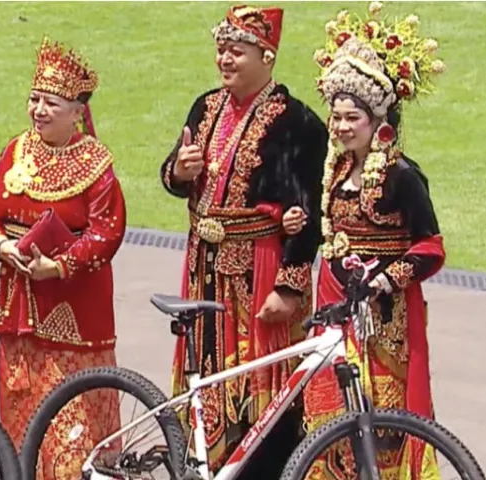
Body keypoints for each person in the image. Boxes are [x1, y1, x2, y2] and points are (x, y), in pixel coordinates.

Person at [159, 4, 328, 476]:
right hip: (204, 265)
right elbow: (173, 175)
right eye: (221, 50)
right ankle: (205, 461)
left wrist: (289, 287)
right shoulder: (205, 106)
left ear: (266, 56)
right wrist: (179, 171)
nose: (224, 60)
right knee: (205, 368)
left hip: (259, 268)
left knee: (262, 378)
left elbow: (308, 212)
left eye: (236, 51)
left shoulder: (297, 123)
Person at [281, 3, 447, 477]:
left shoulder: (401, 175)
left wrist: (385, 280)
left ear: (377, 121)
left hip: (385, 321)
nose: (341, 127)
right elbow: (329, 230)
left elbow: (431, 247)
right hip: (335, 306)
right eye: (336, 117)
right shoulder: (335, 168)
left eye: (352, 117)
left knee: (381, 417)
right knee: (329, 413)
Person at [0, 37, 126, 479]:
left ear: (78, 112)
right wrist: (1, 246)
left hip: (74, 307)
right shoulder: (15, 150)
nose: (38, 110)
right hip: (18, 303)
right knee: (19, 413)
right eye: (34, 99)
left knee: (72, 426)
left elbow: (106, 232)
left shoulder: (96, 163)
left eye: (51, 103)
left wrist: (59, 266)